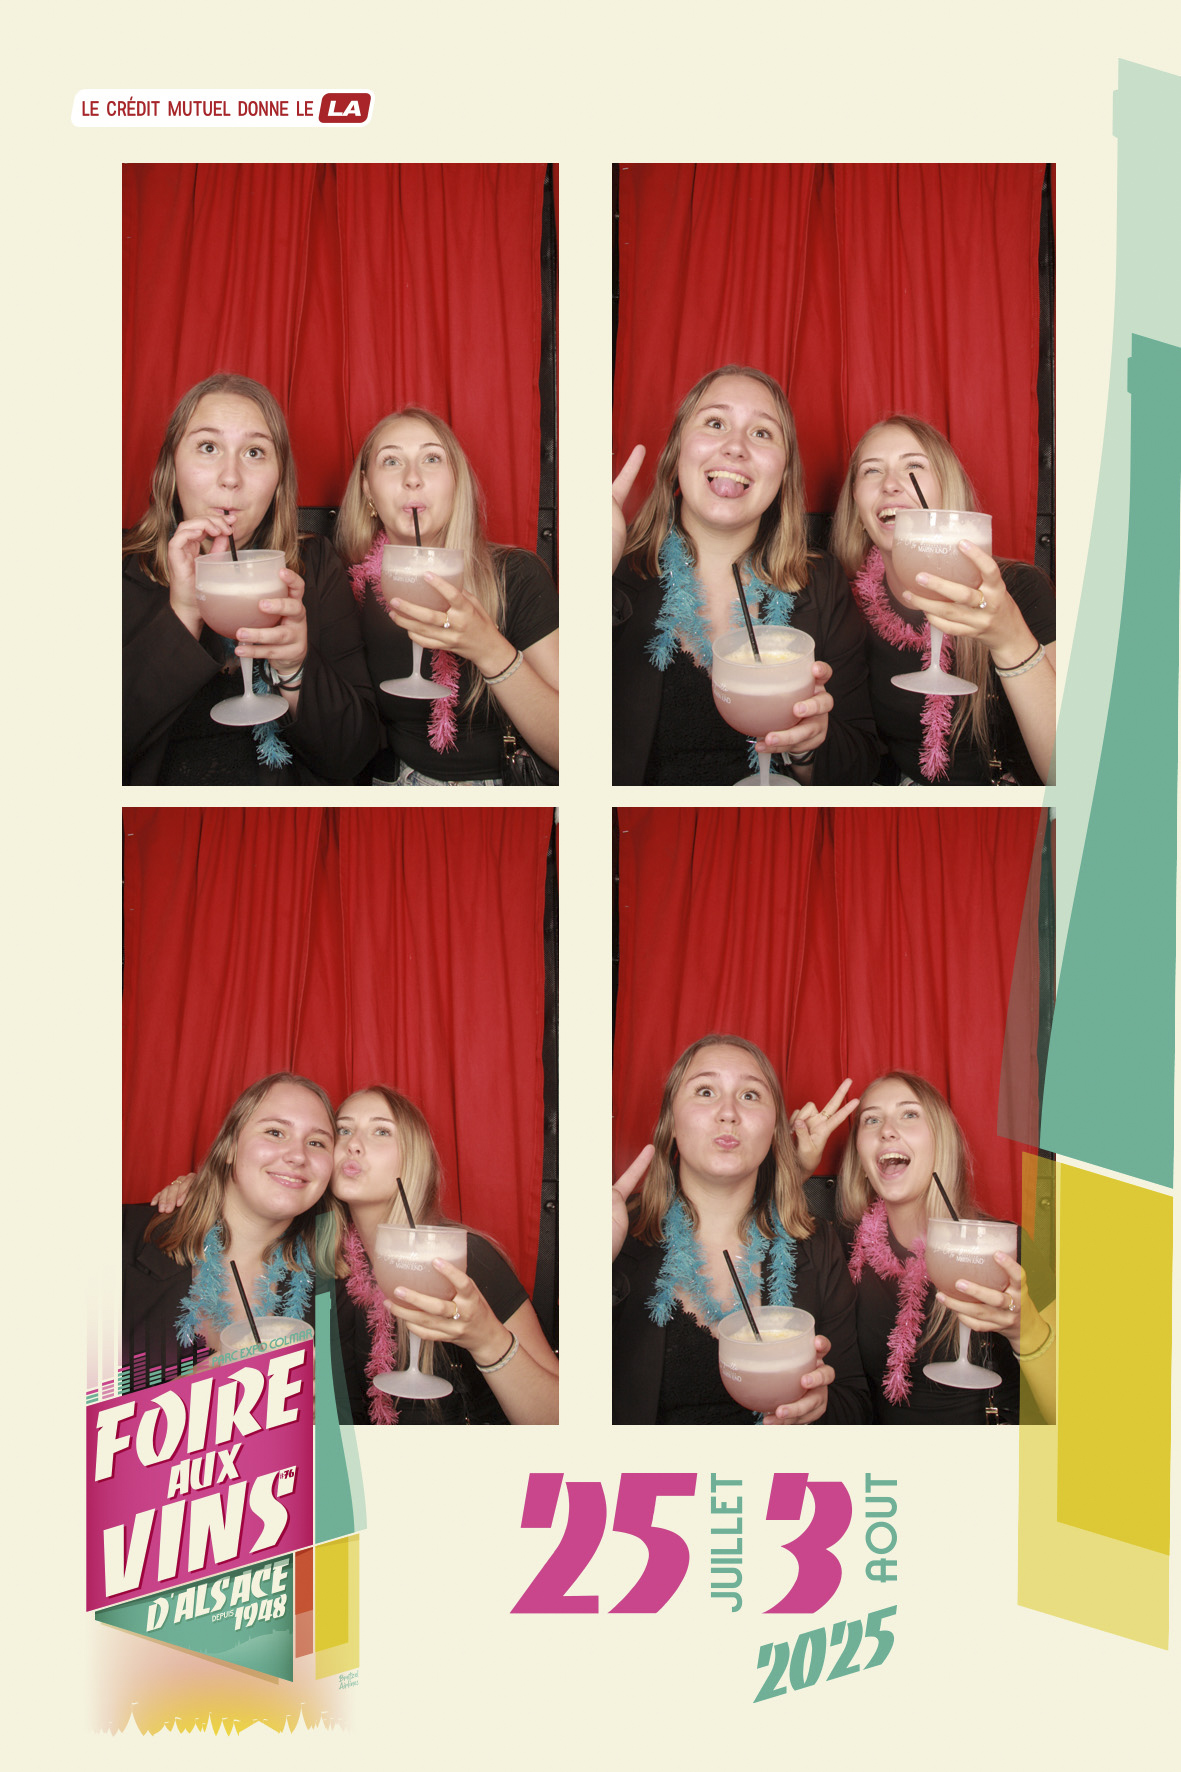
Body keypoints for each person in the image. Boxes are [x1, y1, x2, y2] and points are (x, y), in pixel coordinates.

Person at [612, 366, 878, 785]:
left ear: (784, 471)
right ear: (677, 450)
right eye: (715, 423)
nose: (735, 447)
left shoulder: (823, 583)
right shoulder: (616, 573)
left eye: (762, 433)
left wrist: (810, 745)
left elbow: (860, 768)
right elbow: (564, 739)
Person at [123, 374, 380, 785]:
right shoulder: (119, 572)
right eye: (208, 447)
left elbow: (355, 755)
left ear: (279, 480)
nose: (231, 477)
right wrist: (184, 613)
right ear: (171, 466)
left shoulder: (315, 565)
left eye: (255, 452)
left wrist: (295, 668)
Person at [611, 1035, 870, 1425]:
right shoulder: (618, 1238)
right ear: (671, 1123)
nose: (729, 1113)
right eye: (705, 1091)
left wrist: (820, 1406)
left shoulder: (817, 1244)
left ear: (774, 1130)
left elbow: (856, 1405)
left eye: (750, 1095)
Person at [335, 409, 559, 785]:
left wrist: (490, 651)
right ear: (367, 489)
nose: (412, 478)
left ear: (457, 480)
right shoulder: (348, 587)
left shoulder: (516, 575)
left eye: (432, 458)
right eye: (391, 461)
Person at [829, 416, 1056, 785]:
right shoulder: (841, 604)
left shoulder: (1022, 590)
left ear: (947, 489)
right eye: (872, 471)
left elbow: (1075, 775)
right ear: (856, 503)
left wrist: (1011, 640)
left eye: (914, 466)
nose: (890, 484)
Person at [826, 1072, 1056, 1423]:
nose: (886, 1130)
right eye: (871, 1120)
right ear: (860, 1155)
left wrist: (1027, 1332)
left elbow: (1078, 1412)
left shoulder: (1005, 1248)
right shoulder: (842, 1246)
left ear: (940, 1140)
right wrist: (798, 1166)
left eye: (909, 1114)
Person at [330, 1088, 559, 1423]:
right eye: (343, 1129)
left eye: (381, 1131)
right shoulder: (332, 1267)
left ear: (413, 1158)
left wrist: (487, 1340)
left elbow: (561, 1418)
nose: (353, 1144)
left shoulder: (462, 1259)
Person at [123, 1074, 336, 1389]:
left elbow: (354, 1412)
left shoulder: (334, 1289)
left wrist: (321, 1414)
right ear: (229, 1148)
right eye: (275, 1132)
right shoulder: (119, 1238)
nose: (298, 1155)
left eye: (316, 1142)